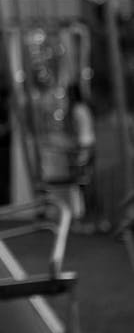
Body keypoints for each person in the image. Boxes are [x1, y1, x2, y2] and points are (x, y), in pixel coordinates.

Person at [66, 83, 102, 230]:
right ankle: (91, 218)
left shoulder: (76, 109)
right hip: (89, 145)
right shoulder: (84, 108)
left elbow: (77, 131)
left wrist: (74, 146)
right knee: (86, 183)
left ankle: (85, 218)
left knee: (82, 184)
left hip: (83, 147)